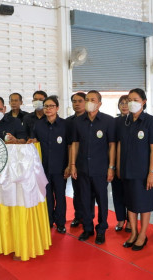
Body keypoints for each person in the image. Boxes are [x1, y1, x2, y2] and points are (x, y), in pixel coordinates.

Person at [70, 90, 115, 245]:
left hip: (101, 169)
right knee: (85, 199)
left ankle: (101, 229)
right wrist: (73, 165)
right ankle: (88, 228)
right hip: (82, 167)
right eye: (87, 99)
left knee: (102, 200)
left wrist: (111, 167)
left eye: (93, 99)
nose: (89, 101)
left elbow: (112, 146)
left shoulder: (108, 121)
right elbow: (74, 144)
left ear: (99, 103)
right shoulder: (77, 122)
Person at [117, 88, 153, 251]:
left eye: (135, 99)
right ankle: (133, 232)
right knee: (131, 204)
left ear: (144, 101)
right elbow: (120, 145)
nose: (131, 102)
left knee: (144, 204)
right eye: (129, 99)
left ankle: (143, 234)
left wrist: (152, 173)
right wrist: (119, 167)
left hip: (143, 172)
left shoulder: (151, 121)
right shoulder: (124, 121)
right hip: (127, 170)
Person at [28, 95, 68, 234]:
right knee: (47, 196)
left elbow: (70, 146)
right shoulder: (38, 125)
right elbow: (34, 142)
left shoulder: (65, 124)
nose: (48, 109)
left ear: (57, 108)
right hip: (43, 168)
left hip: (60, 167)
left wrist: (69, 165)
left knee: (60, 196)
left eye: (51, 106)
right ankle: (49, 220)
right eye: (46, 106)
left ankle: (61, 223)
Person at [65, 91, 86, 228]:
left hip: (88, 162)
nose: (77, 104)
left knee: (88, 192)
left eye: (80, 101)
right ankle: (78, 216)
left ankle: (88, 216)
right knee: (77, 191)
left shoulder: (89, 119)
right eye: (74, 101)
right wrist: (69, 164)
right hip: (73, 162)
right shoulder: (68, 122)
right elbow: (68, 145)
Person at [111, 95, 131, 232]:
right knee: (117, 192)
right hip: (116, 162)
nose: (124, 105)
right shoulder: (114, 122)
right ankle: (120, 219)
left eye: (127, 103)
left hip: (131, 163)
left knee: (130, 194)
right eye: (121, 103)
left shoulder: (136, 121)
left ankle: (130, 221)